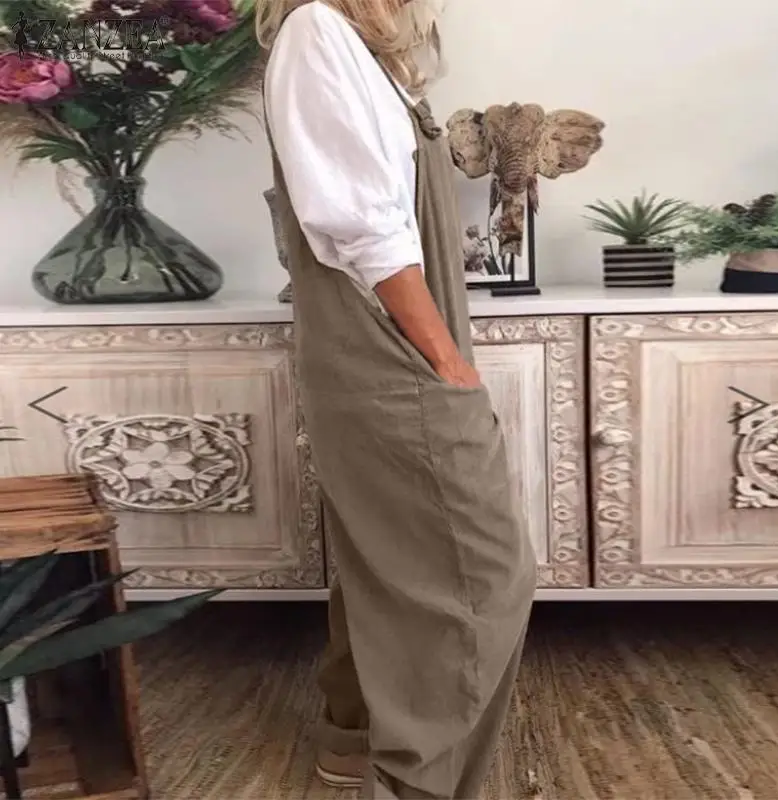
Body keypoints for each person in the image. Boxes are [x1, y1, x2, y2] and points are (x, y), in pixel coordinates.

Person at [256, 1, 537, 797]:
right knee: (475, 579)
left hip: (384, 339)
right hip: (385, 341)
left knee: (388, 556)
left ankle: (353, 739)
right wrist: (445, 359)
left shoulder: (360, 50)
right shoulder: (318, 31)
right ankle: (424, 781)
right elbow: (363, 226)